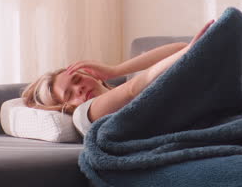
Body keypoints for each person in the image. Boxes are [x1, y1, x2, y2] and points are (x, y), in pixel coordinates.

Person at [22, 20, 213, 135]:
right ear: (65, 107)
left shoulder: (131, 86)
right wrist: (189, 51)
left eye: (77, 80)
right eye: (69, 94)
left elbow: (180, 48)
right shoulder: (84, 114)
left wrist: (114, 70)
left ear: (92, 75)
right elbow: (131, 90)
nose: (78, 89)